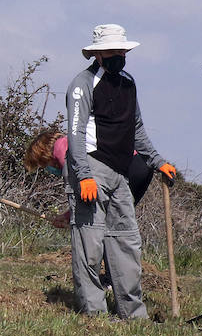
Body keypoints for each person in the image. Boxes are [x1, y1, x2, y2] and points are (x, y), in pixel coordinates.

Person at [63, 24, 177, 318]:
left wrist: (157, 160)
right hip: (91, 167)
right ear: (98, 54)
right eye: (113, 51)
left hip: (120, 172)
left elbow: (136, 128)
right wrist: (83, 175)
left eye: (122, 50)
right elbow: (75, 133)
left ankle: (133, 314)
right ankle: (95, 314)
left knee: (126, 240)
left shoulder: (128, 82)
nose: (119, 56)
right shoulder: (82, 84)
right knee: (90, 243)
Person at [23, 128, 156, 229]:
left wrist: (72, 218)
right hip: (142, 164)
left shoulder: (61, 148)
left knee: (111, 218)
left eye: (43, 164)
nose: (47, 169)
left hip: (129, 166)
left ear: (44, 153)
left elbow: (78, 194)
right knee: (118, 218)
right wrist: (68, 216)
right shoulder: (74, 142)